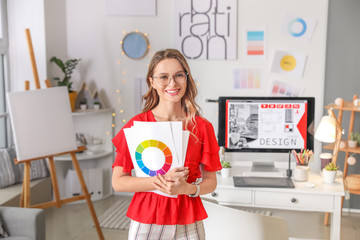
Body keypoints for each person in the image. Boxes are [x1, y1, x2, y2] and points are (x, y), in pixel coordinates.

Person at [112, 48, 222, 240]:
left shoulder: (202, 127)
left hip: (188, 217)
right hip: (148, 217)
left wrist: (188, 189)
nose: (172, 83)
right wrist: (161, 182)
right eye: (163, 77)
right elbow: (118, 182)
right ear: (152, 82)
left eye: (179, 75)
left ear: (187, 78)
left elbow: (211, 182)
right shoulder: (137, 126)